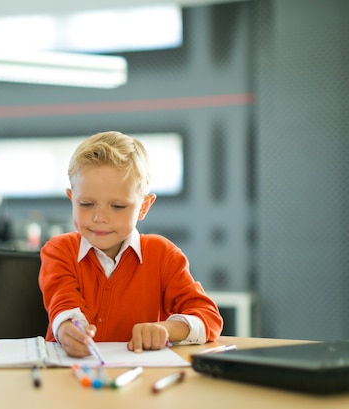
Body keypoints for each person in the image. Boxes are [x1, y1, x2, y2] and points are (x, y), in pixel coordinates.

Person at [38, 131, 223, 358]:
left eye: (117, 206)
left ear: (144, 207)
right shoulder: (59, 250)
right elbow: (64, 305)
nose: (99, 218)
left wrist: (166, 329)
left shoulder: (163, 255)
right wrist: (69, 330)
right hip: (69, 378)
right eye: (86, 204)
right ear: (71, 199)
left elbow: (209, 317)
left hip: (140, 380)